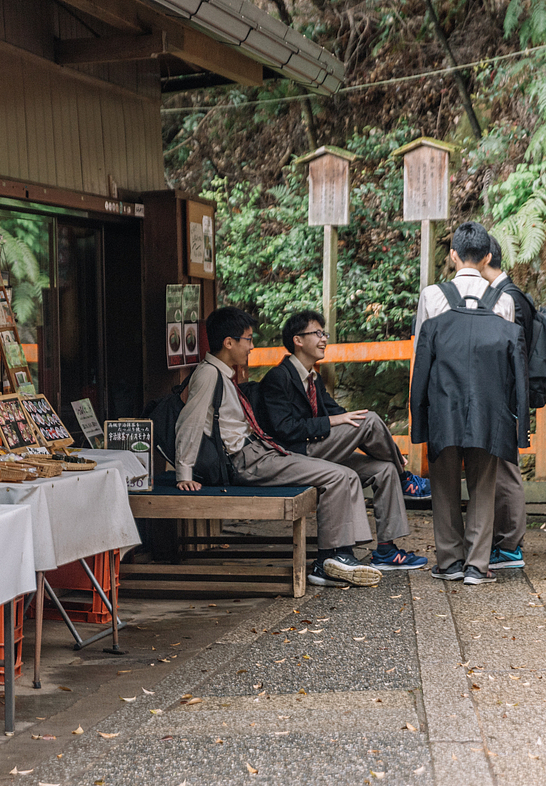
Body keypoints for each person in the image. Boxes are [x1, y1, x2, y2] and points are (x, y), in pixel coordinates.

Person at [174, 306, 383, 588]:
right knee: (338, 475)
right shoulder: (209, 374)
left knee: (343, 474)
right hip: (246, 460)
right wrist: (183, 473)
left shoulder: (223, 373)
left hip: (261, 451)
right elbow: (189, 422)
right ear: (229, 342)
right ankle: (329, 560)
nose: (251, 346)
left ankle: (339, 555)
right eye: (248, 339)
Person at [259, 309, 429, 570]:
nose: (324, 338)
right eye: (317, 333)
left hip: (317, 448)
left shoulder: (312, 378)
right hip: (295, 455)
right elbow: (284, 430)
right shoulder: (278, 378)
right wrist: (331, 422)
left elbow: (341, 414)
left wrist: (384, 448)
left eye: (323, 333)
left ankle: (386, 550)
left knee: (384, 469)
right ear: (298, 340)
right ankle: (406, 478)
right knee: (369, 419)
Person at [411, 222, 527, 586]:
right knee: (483, 484)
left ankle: (449, 561)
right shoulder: (503, 301)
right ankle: (477, 565)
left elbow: (421, 356)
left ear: (452, 255)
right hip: (489, 407)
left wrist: (419, 414)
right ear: (488, 256)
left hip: (443, 403)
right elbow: (511, 366)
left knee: (444, 485)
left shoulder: (432, 296)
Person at [481, 237, 530, 572]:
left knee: (505, 469)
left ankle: (509, 545)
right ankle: (508, 541)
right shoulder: (511, 293)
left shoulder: (508, 297)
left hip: (506, 393)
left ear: (485, 260)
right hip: (508, 392)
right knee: (501, 467)